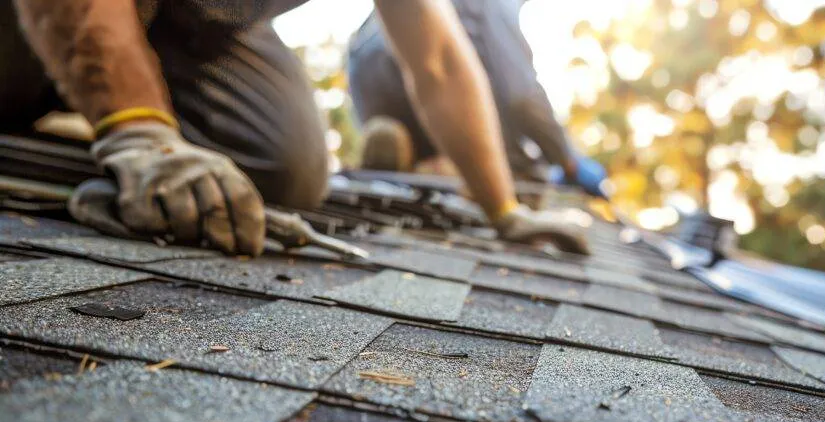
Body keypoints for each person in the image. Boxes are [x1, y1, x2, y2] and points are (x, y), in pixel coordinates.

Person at [1, 0, 589, 255]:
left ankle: (94, 113)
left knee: (288, 169)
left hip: (201, 23)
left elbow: (438, 61)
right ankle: (102, 108)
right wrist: (139, 132)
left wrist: (504, 211)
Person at [346, 0, 609, 199]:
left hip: (380, 102)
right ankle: (470, 170)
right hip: (442, 112)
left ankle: (421, 161)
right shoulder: (494, 3)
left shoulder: (366, 25)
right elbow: (521, 96)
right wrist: (567, 159)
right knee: (524, 169)